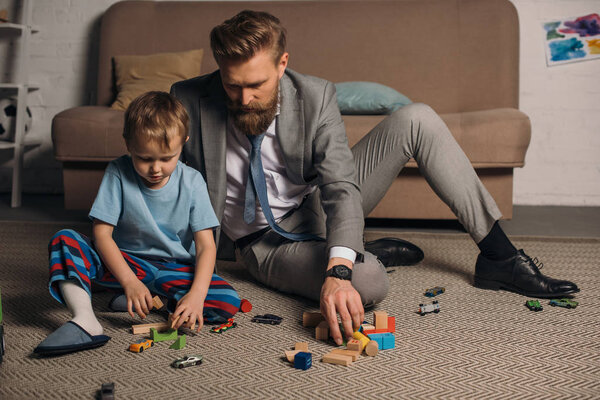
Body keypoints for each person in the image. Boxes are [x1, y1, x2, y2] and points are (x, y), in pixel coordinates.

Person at [171, 11, 579, 346]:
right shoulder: (188, 98)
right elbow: (160, 181)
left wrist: (337, 272)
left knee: (417, 117)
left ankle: (498, 257)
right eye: (232, 85)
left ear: (283, 64)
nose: (243, 100)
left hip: (314, 208)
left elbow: (341, 186)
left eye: (256, 85)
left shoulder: (315, 94)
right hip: (263, 243)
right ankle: (364, 253)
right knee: (369, 280)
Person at [34, 92, 241, 356]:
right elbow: (102, 236)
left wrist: (197, 295)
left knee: (226, 301)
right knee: (65, 240)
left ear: (184, 143)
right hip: (124, 263)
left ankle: (155, 300)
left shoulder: (193, 181)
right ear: (128, 144)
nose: (156, 168)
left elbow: (205, 247)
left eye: (167, 158)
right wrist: (129, 281)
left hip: (172, 268)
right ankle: (85, 319)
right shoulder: (117, 172)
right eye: (144, 158)